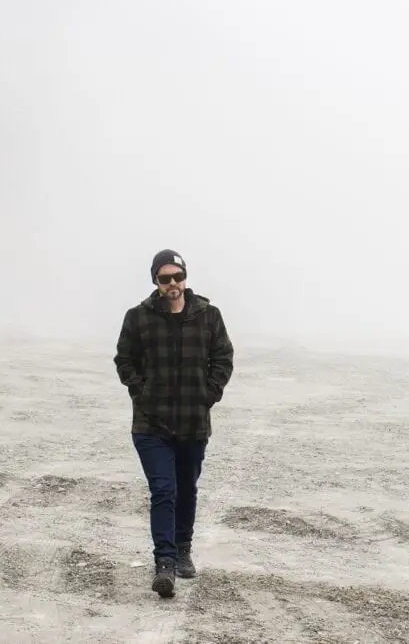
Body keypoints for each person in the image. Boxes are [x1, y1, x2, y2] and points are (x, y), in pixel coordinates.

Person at [113, 248, 234, 598]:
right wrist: (142, 391)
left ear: (185, 278)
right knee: (163, 490)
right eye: (165, 279)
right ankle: (164, 562)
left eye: (177, 277)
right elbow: (124, 359)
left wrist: (208, 393)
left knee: (186, 489)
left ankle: (182, 550)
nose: (173, 284)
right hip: (151, 424)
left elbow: (223, 358)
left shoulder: (209, 316)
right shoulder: (137, 318)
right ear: (156, 281)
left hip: (193, 422)